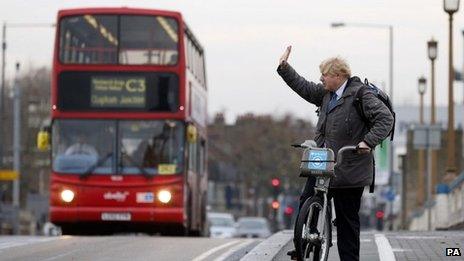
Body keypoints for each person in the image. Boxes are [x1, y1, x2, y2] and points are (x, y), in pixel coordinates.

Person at [277, 46, 394, 261]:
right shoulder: (325, 95)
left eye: (325, 74)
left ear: (338, 76)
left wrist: (367, 142)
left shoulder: (361, 95)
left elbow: (385, 119)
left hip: (350, 169)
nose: (321, 78)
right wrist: (284, 67)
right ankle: (303, 243)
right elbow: (303, 86)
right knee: (307, 200)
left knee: (347, 221)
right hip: (324, 162)